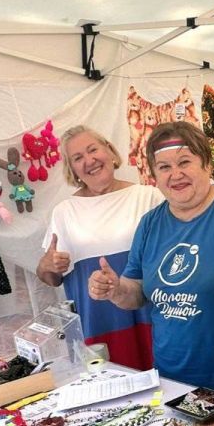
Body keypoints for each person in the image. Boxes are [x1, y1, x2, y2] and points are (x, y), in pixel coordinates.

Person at [88, 121, 214, 393]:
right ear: (154, 176)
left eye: (184, 162)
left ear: (207, 164)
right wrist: (115, 289)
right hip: (169, 381)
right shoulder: (150, 224)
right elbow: (136, 293)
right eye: (164, 167)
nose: (175, 174)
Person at [37, 125, 161, 370]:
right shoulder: (65, 211)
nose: (89, 160)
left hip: (151, 316)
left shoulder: (149, 197)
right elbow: (51, 278)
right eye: (78, 158)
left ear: (110, 151)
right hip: (97, 326)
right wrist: (47, 265)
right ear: (72, 169)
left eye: (93, 150)